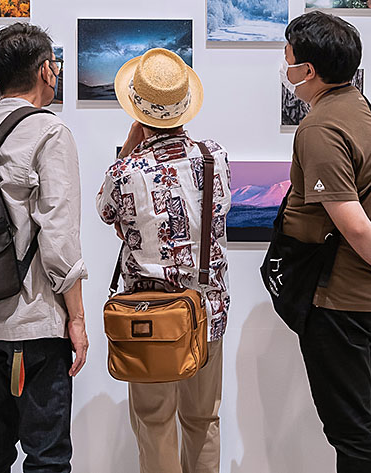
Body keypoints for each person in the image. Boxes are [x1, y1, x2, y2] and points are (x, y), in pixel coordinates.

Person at [278, 11, 371, 473]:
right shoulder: (367, 112)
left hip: (337, 301)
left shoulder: (321, 128)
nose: (285, 69)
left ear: (309, 70)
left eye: (288, 60)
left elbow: (353, 222)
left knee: (351, 434)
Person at [0, 22, 87, 473]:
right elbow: (59, 238)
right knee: (47, 454)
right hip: (34, 319)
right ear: (47, 70)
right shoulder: (49, 133)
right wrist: (78, 319)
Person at [96, 48, 231, 473]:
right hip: (207, 310)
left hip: (149, 317)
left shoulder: (126, 171)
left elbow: (106, 212)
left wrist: (129, 150)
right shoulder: (215, 157)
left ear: (137, 109)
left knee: (154, 423)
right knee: (203, 419)